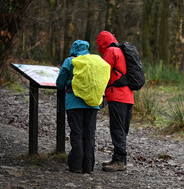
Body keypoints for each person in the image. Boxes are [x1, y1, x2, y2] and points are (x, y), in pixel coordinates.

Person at [56, 40, 99, 174]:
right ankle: (88, 167)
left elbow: (60, 83)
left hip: (74, 103)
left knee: (77, 133)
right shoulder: (94, 61)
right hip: (92, 103)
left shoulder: (70, 61)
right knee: (89, 134)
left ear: (74, 48)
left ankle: (75, 166)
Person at [96, 31, 134, 172]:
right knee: (122, 129)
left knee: (117, 128)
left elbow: (104, 74)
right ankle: (119, 158)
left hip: (117, 96)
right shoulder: (123, 51)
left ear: (102, 43)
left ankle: (119, 161)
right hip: (128, 96)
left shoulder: (111, 51)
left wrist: (101, 94)